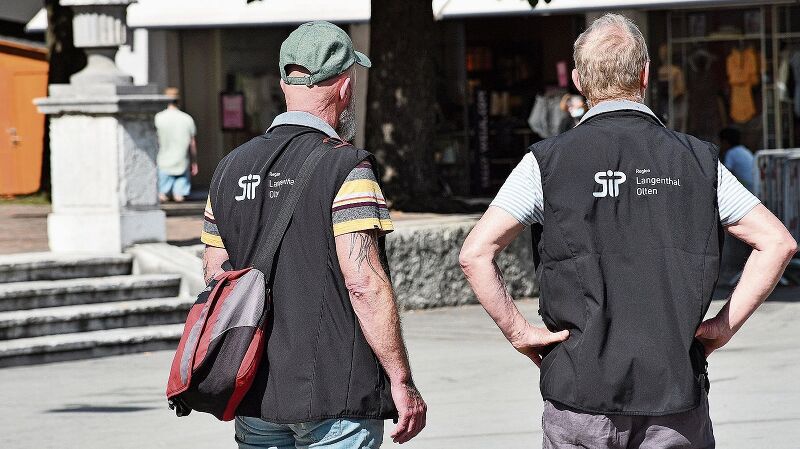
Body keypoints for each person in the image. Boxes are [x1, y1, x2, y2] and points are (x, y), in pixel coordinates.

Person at [460, 13, 796, 449]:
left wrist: (519, 333)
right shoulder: (697, 161)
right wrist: (722, 326)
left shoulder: (546, 163)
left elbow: (475, 253)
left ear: (579, 81)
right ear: (645, 75)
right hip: (674, 399)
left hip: (580, 398)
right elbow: (777, 241)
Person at [200, 21, 426, 449]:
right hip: (335, 396)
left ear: (287, 82)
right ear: (343, 88)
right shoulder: (349, 168)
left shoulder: (227, 169)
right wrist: (402, 380)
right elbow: (364, 284)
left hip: (255, 391)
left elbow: (215, 277)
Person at [155, 87, 198, 202]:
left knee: (162, 196)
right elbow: (192, 143)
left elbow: (155, 141)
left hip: (163, 162)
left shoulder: (158, 118)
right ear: (178, 101)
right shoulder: (187, 119)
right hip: (182, 163)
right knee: (179, 197)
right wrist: (194, 162)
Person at [719, 127, 755, 192]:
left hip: (746, 187)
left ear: (725, 142)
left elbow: (725, 173)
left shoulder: (731, 153)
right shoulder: (745, 150)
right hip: (755, 185)